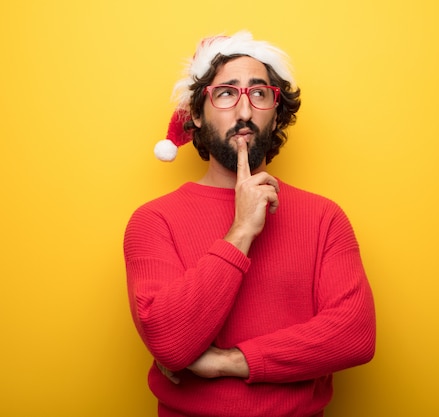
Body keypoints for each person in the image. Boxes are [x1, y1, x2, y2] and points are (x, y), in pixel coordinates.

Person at [123, 31, 376, 417]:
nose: (244, 112)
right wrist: (241, 230)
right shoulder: (154, 221)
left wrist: (228, 361)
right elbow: (171, 343)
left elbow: (354, 336)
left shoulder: (324, 217)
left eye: (259, 94)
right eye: (226, 93)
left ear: (276, 113)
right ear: (195, 113)